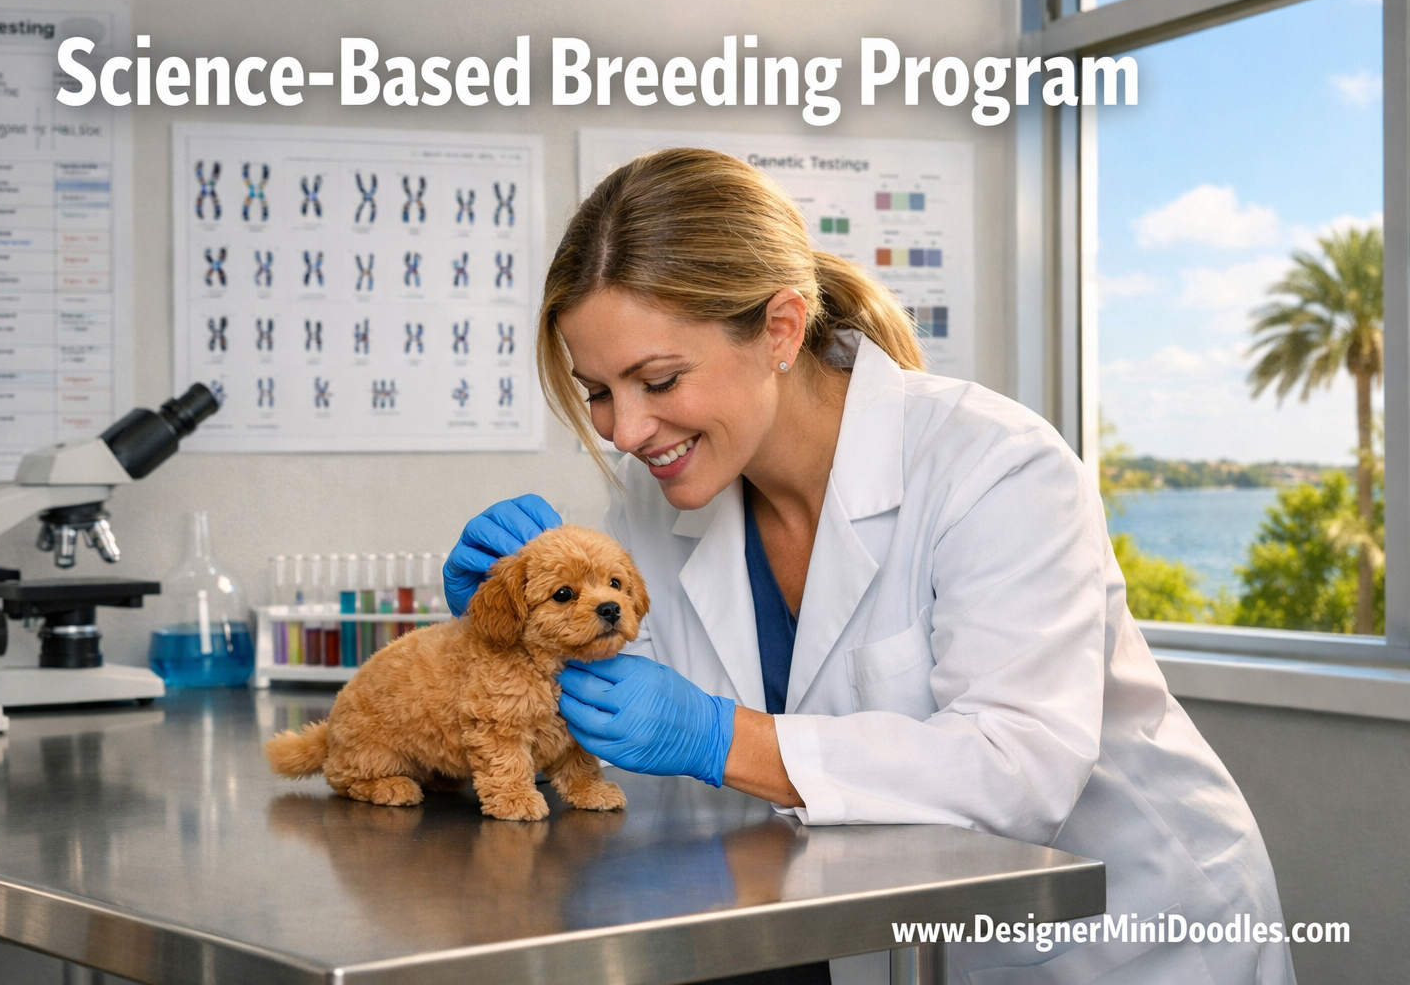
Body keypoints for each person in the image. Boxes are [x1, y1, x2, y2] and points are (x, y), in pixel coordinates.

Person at [443, 148, 1295, 985]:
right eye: (597, 391)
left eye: (658, 380)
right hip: (886, 937)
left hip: (1129, 939)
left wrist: (720, 737)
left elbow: (1017, 771)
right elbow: (620, 722)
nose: (624, 431)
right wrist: (507, 636)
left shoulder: (994, 465)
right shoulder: (655, 492)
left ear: (780, 328)